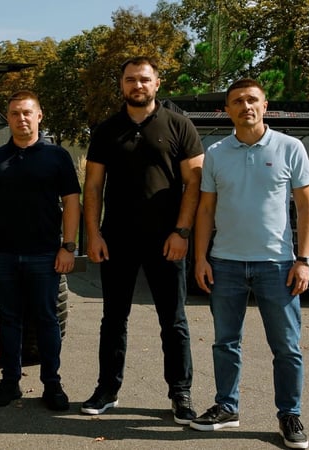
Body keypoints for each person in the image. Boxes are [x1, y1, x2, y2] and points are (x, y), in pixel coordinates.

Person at [190, 78, 309, 449]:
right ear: (227, 110)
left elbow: (305, 206)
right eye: (238, 101)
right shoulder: (216, 152)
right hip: (225, 263)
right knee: (226, 343)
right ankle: (227, 408)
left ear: (265, 105)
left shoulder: (290, 147)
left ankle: (289, 414)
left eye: (252, 100)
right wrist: (201, 258)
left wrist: (303, 260)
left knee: (287, 347)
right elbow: (206, 209)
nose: (246, 106)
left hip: (277, 265)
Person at [82, 56, 203, 424]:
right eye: (131, 79)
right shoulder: (106, 130)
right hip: (116, 239)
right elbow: (93, 186)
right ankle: (107, 389)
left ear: (157, 83)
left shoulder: (180, 125)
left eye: (144, 79)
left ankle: (180, 392)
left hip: (167, 240)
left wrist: (182, 232)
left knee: (174, 321)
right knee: (113, 319)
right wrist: (93, 234)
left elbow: (194, 183)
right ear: (122, 84)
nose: (138, 85)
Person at [0, 90, 81, 410]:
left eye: (27, 112)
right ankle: (10, 382)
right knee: (9, 320)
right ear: (8, 118)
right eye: (15, 113)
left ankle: (52, 384)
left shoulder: (57, 156)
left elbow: (72, 202)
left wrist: (68, 246)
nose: (21, 118)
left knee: (46, 319)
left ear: (39, 116)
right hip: (4, 254)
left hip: (45, 254)